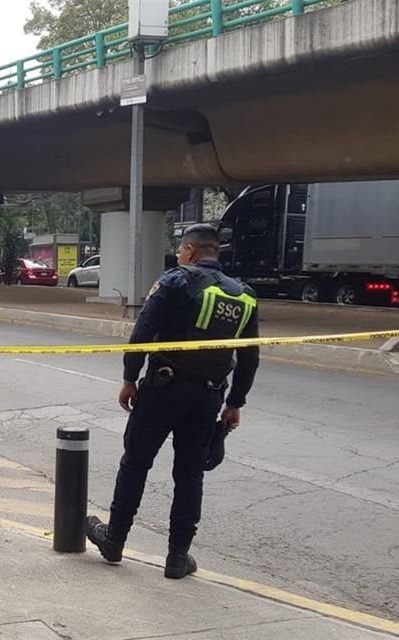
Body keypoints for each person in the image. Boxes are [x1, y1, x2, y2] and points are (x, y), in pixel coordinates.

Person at [86, 224, 260, 579]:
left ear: (191, 251)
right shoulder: (243, 295)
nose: (180, 256)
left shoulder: (175, 281)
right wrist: (235, 402)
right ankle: (178, 558)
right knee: (190, 474)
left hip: (163, 389)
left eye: (182, 251)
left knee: (136, 463)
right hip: (209, 396)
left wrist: (129, 378)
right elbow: (250, 357)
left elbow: (143, 333)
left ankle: (114, 540)